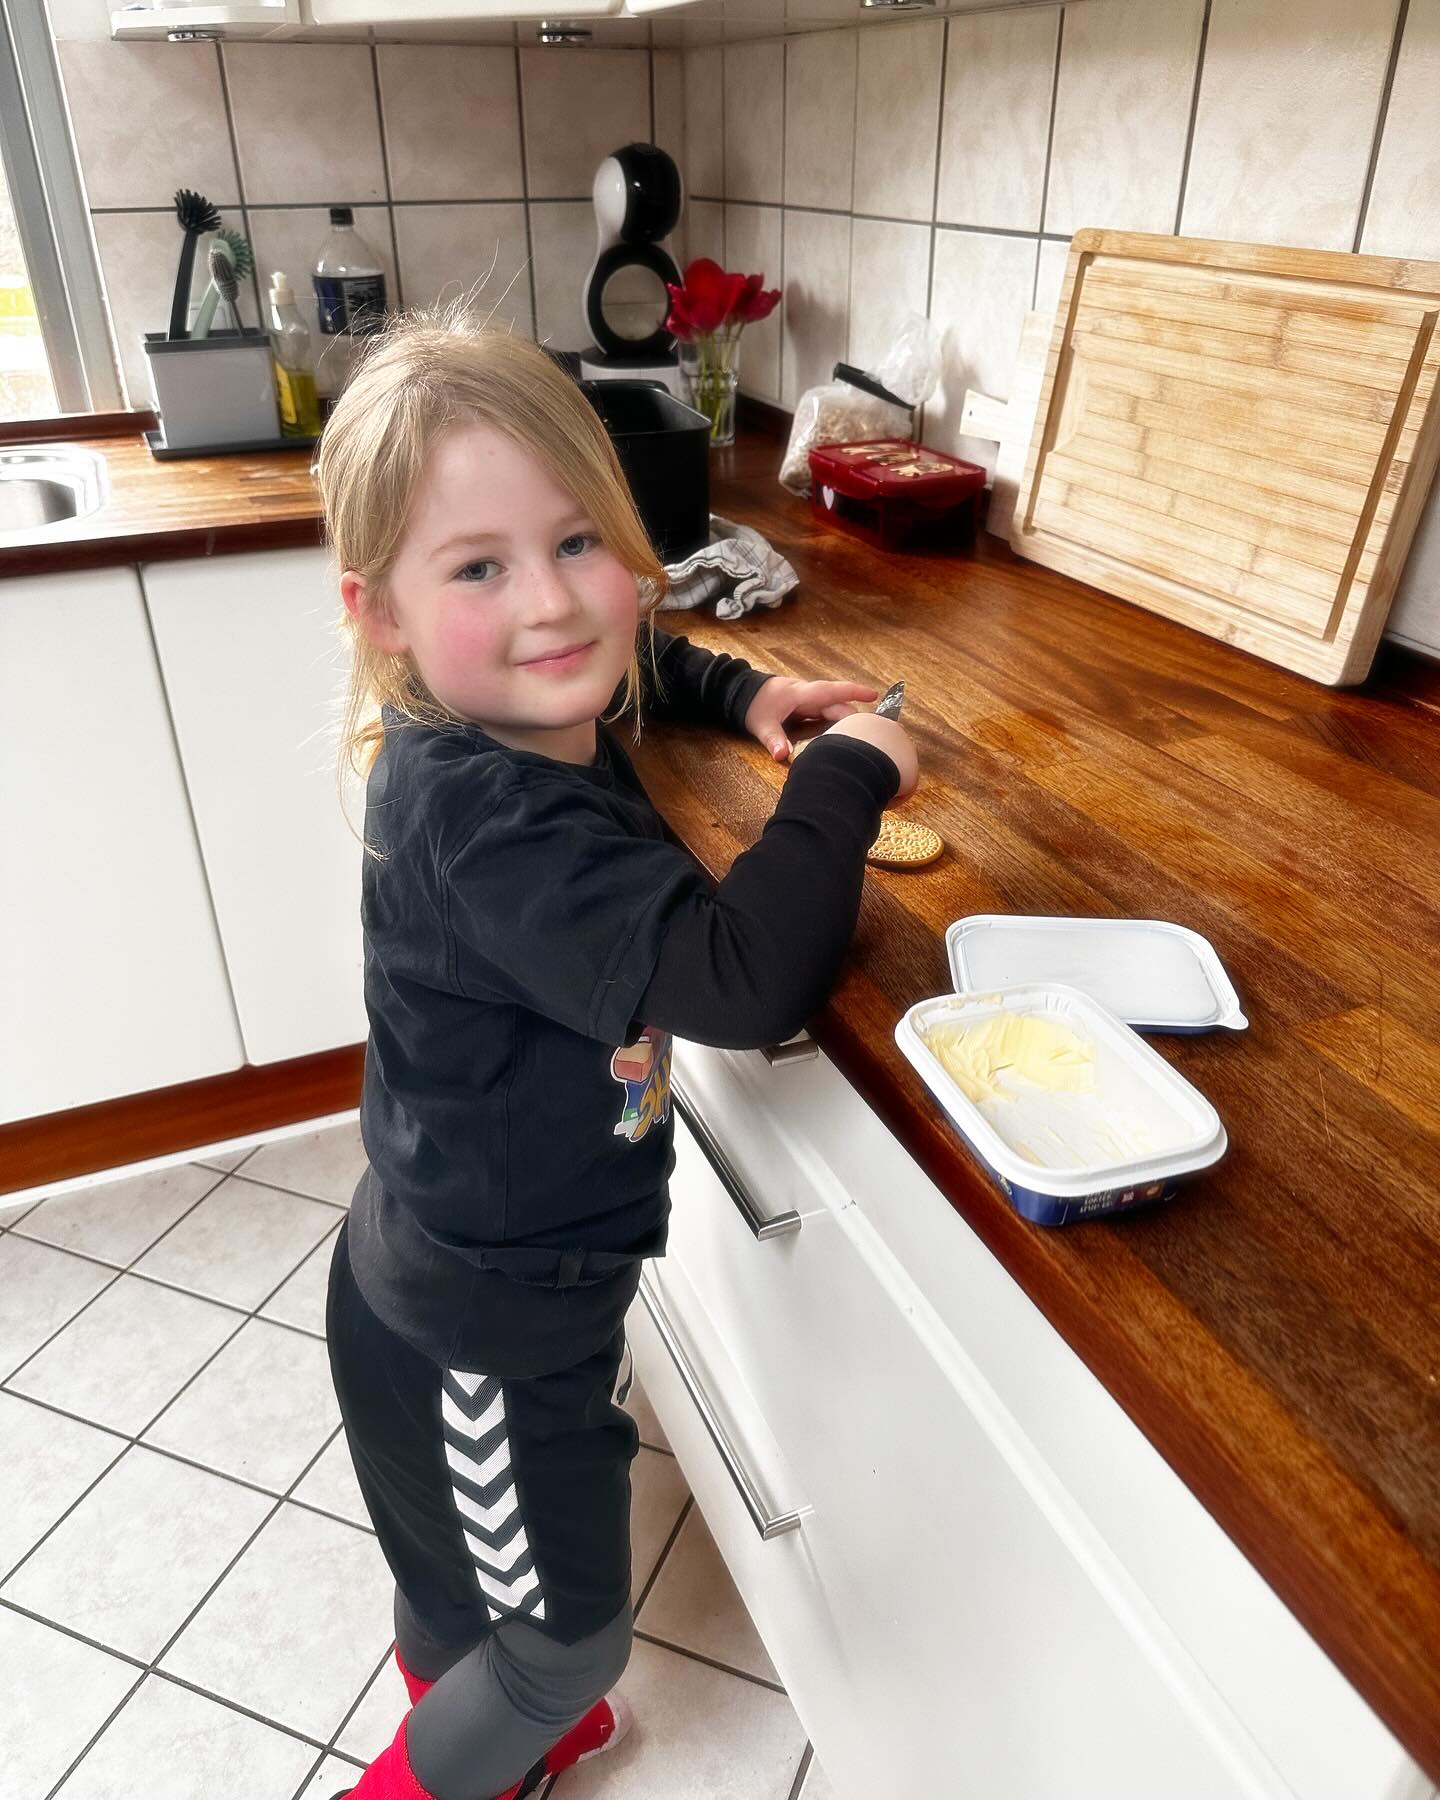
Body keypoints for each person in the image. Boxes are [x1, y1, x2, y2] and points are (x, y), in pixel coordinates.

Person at [316, 304, 918, 1800]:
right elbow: (741, 975)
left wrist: (750, 691)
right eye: (478, 567)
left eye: (578, 539)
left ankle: (488, 1722)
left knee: (462, 1571)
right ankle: (443, 1768)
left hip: (484, 1270)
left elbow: (630, 648)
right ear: (380, 612)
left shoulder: (513, 712)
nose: (552, 602)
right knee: (562, 1646)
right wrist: (847, 774)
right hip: (481, 1329)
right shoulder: (488, 818)